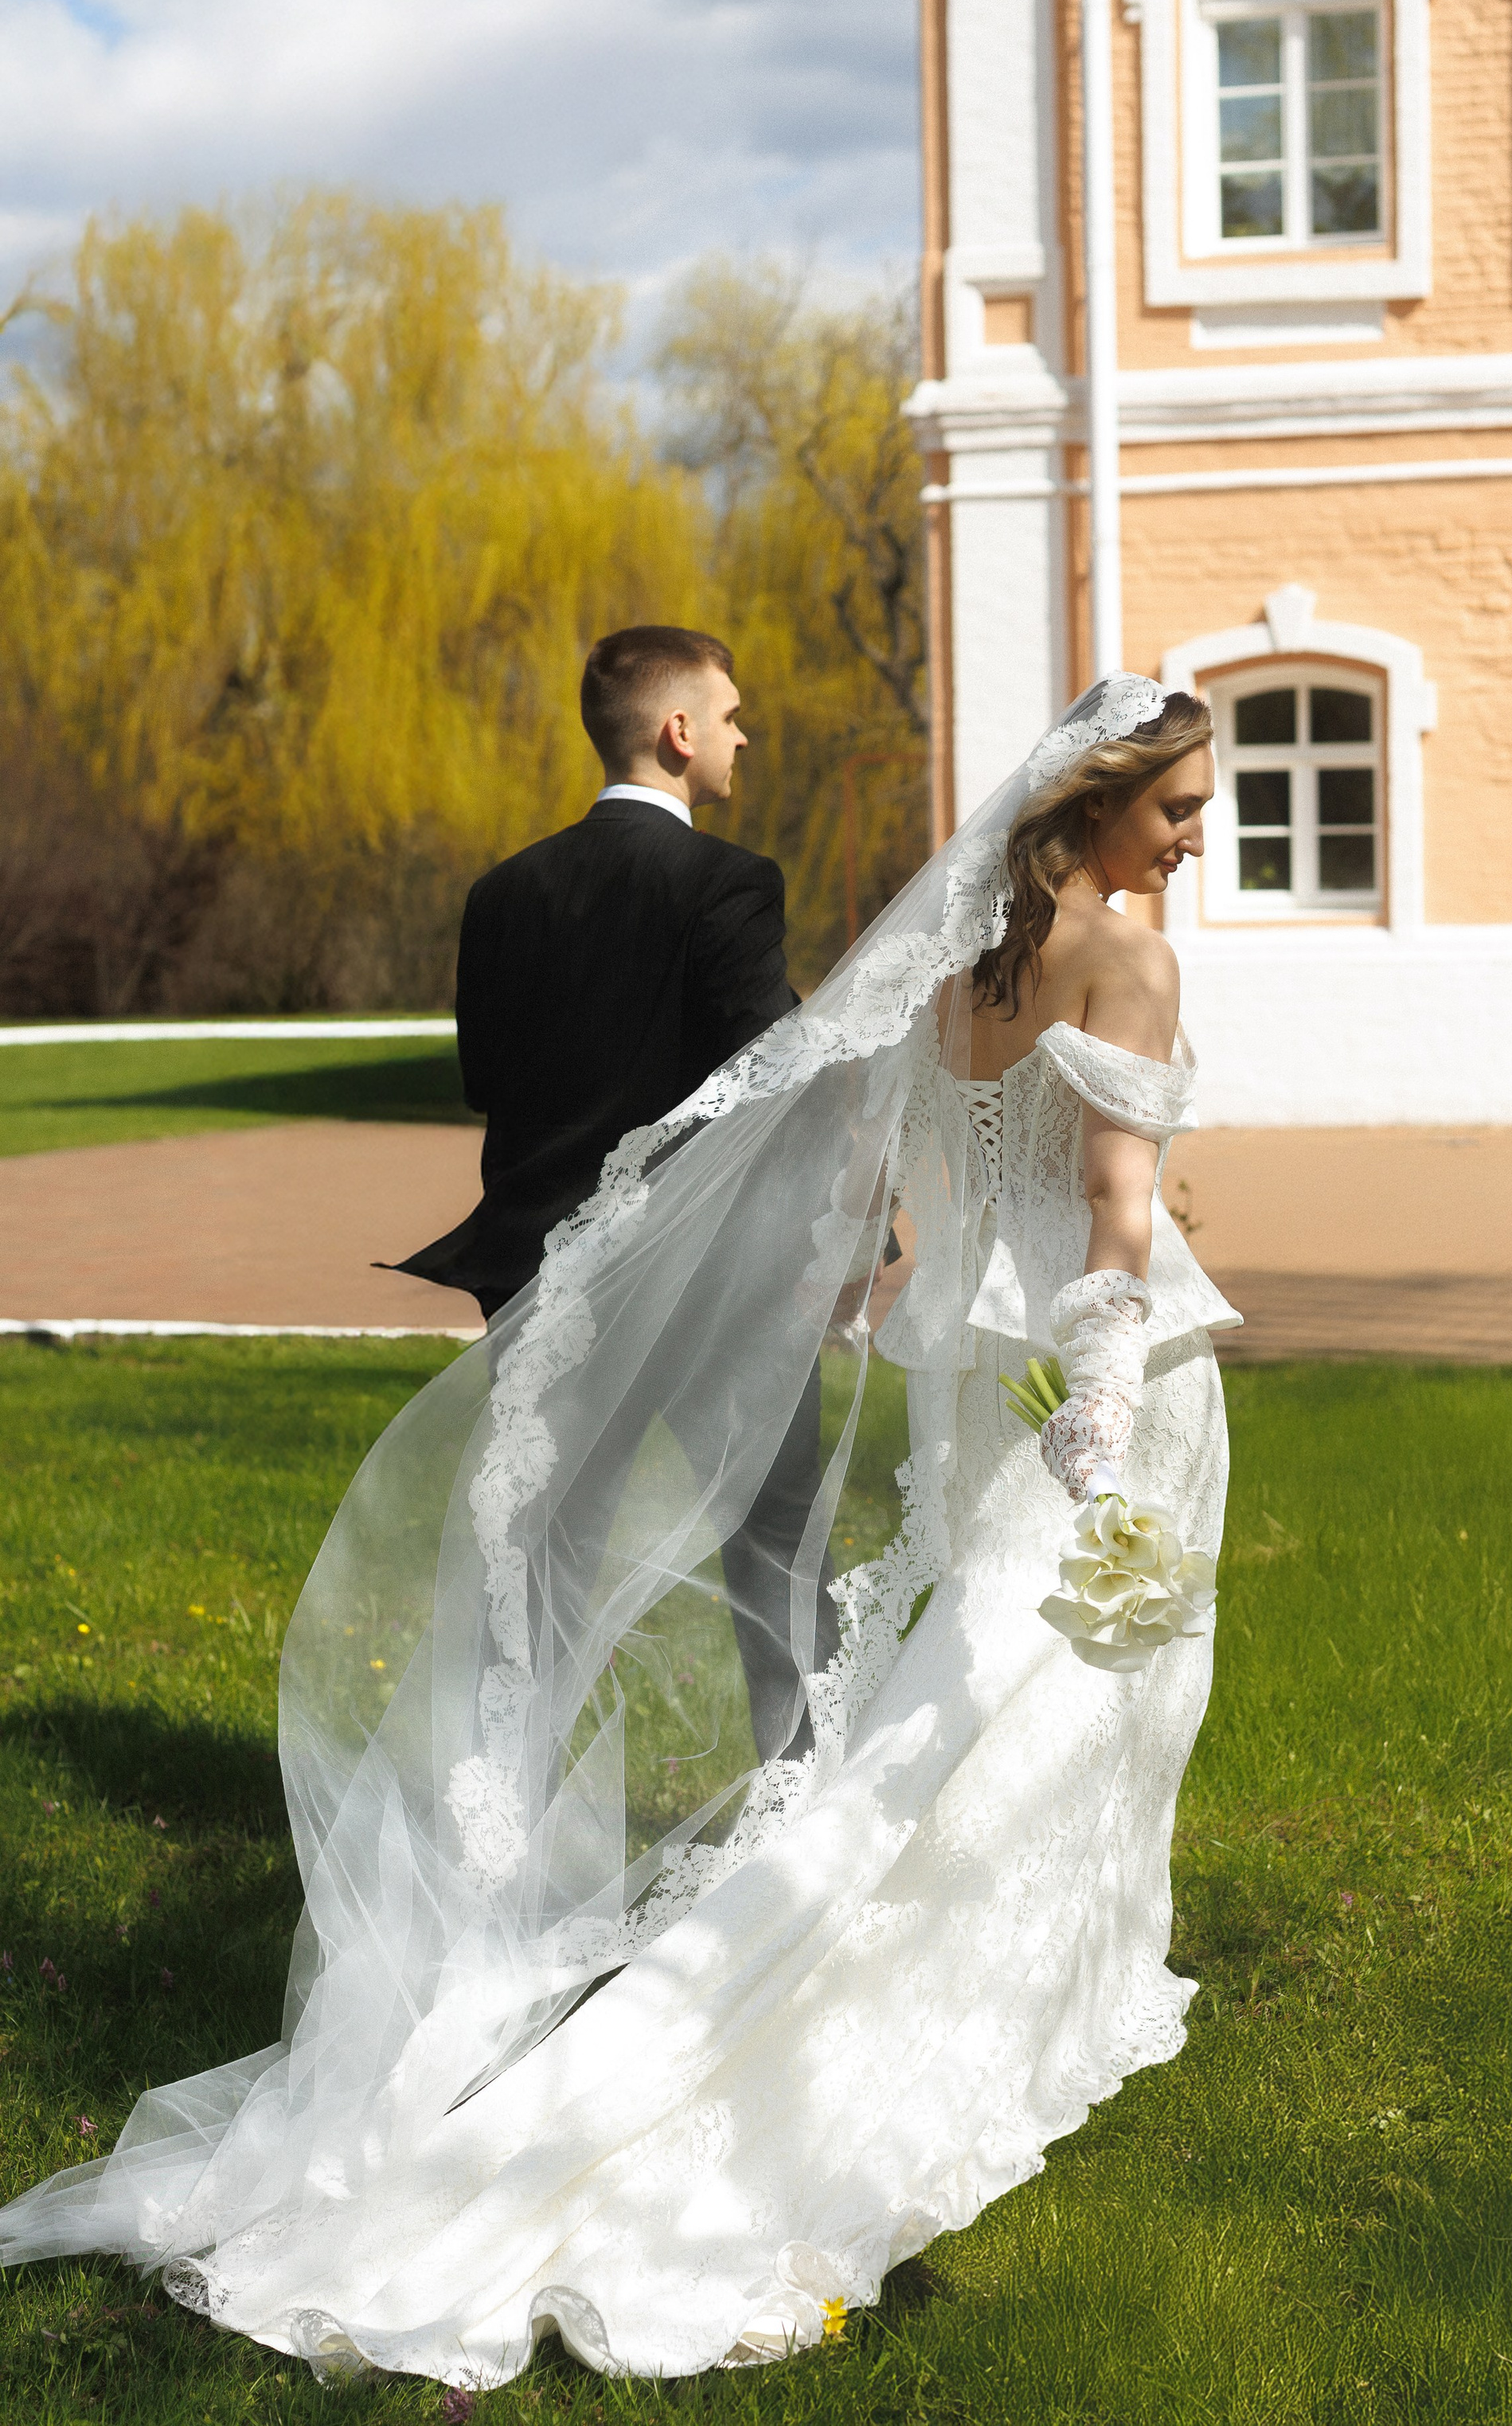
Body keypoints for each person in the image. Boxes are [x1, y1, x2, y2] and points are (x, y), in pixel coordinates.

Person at [0, 678, 1239, 2385]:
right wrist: (1101, 1395)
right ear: (1093, 802)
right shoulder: (1130, 964)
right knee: (1032, 1711)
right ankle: (987, 2000)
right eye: (1175, 804)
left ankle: (965, 1964)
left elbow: (880, 1156)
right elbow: (1110, 1202)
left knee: (959, 1703)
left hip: (965, 1377)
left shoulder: (960, 972)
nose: (1195, 835)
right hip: (1097, 1383)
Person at [393, 623, 827, 1760]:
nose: (743, 738)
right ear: (680, 732)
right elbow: (769, 1082)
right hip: (708, 1277)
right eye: (731, 717)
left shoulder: (502, 892)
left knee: (544, 1560)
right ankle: (801, 1811)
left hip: (541, 1278)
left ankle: (506, 1813)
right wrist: (847, 1236)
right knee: (775, 1542)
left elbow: (487, 1082)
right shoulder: (728, 884)